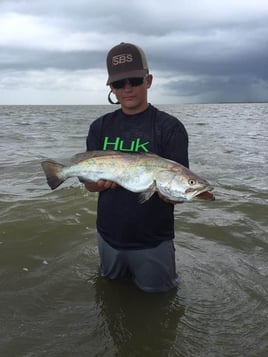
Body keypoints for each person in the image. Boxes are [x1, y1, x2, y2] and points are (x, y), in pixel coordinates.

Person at [84, 42, 189, 293]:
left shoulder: (170, 128)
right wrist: (95, 185)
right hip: (108, 236)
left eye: (134, 80)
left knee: (158, 307)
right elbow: (88, 184)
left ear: (149, 80)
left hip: (152, 241)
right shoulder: (99, 127)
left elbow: (180, 189)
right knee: (110, 295)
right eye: (119, 83)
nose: (127, 88)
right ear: (111, 87)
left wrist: (173, 195)